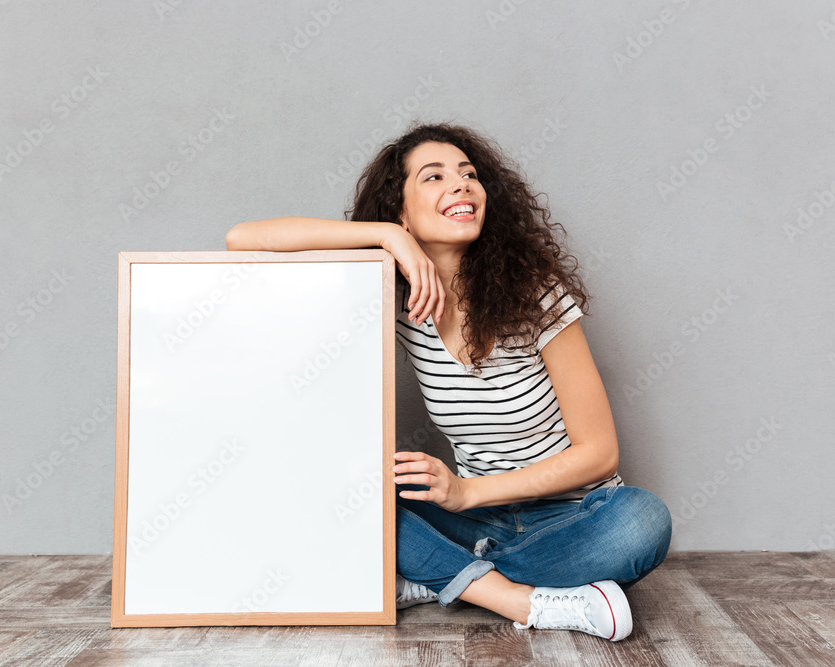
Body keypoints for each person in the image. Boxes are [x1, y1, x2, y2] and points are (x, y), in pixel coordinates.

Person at [225, 121, 672, 642]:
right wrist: (386, 236)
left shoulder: (535, 296)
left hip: (568, 519)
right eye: (433, 177)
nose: (460, 185)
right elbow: (245, 239)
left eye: (469, 174)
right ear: (401, 208)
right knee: (345, 482)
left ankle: (444, 576)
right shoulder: (393, 296)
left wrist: (465, 492)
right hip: (476, 519)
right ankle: (517, 598)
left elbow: (599, 454)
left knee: (644, 521)